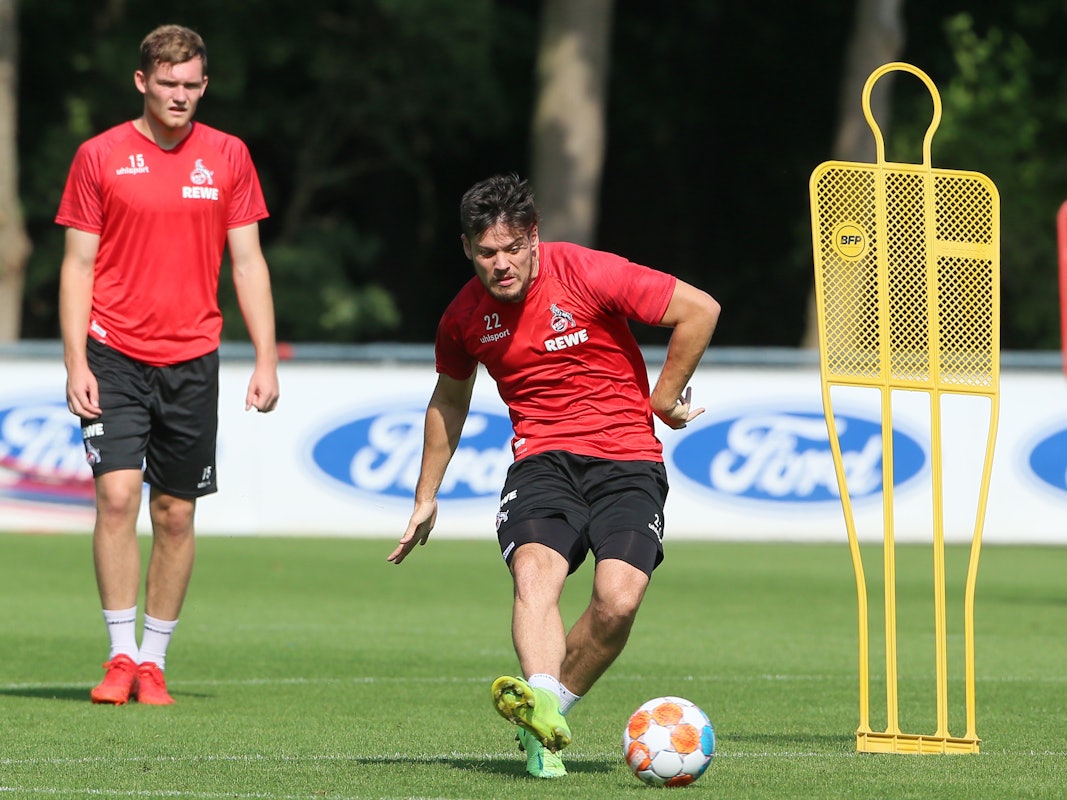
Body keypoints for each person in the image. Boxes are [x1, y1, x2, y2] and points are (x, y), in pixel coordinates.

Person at [388, 173, 720, 778]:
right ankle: (543, 713)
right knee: (536, 574)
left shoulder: (587, 272)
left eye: (513, 249)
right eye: (487, 253)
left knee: (617, 602)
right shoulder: (463, 317)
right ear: (467, 249)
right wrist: (425, 496)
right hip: (541, 460)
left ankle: (548, 708)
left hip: (627, 459)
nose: (502, 265)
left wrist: (663, 398)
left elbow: (700, 310)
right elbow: (449, 400)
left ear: (534, 240)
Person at [56, 24, 279, 706]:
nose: (178, 96)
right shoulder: (99, 156)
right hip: (113, 353)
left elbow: (246, 261)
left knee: (176, 513)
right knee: (118, 496)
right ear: (142, 82)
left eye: (190, 85)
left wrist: (266, 357)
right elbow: (77, 265)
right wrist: (74, 362)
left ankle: (154, 662)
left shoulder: (229, 156)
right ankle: (120, 656)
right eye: (166, 84)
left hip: (193, 359)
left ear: (203, 86)